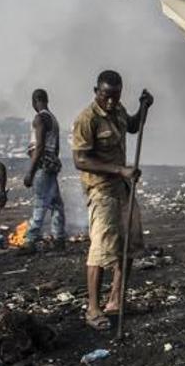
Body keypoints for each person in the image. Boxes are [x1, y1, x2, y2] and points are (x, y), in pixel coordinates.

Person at [71, 70, 153, 331]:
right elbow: (80, 160)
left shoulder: (117, 109)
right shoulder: (87, 119)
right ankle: (93, 309)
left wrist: (143, 108)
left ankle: (116, 300)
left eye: (116, 96)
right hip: (101, 190)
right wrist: (119, 169)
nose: (111, 102)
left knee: (130, 242)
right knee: (101, 249)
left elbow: (132, 126)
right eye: (106, 96)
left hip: (122, 188)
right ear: (96, 91)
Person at [21, 89, 66, 251]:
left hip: (41, 165)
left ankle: (30, 240)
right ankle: (59, 238)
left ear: (35, 101)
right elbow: (57, 148)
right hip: (51, 164)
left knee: (40, 203)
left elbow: (39, 146)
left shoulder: (39, 118)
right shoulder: (54, 120)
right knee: (56, 203)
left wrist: (30, 172)